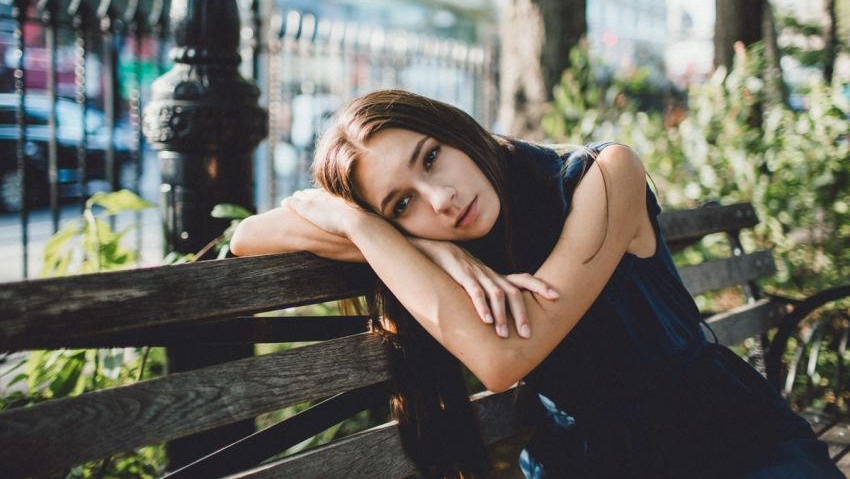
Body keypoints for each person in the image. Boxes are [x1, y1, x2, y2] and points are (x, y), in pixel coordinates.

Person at [230, 89, 842, 478]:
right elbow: (247, 238)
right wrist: (394, 234)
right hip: (588, 457)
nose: (441, 200)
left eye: (431, 156)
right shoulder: (449, 231)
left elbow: (504, 357)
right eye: (402, 203)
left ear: (456, 129)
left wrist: (381, 229)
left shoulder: (604, 176)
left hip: (722, 439)